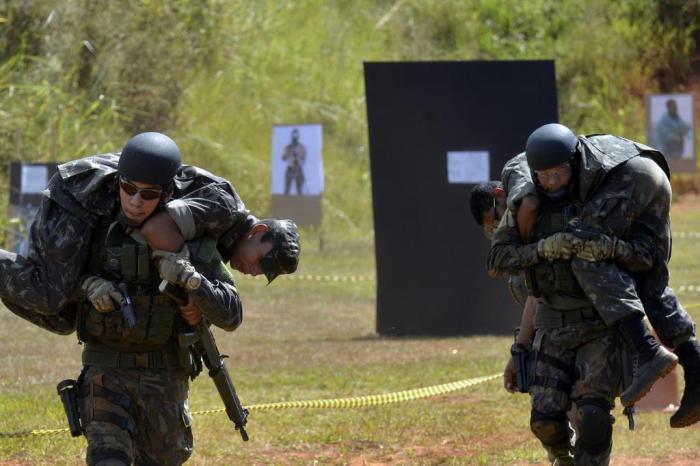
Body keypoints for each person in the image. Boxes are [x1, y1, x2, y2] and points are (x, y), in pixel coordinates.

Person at [476, 124, 700, 428]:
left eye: (559, 174)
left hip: (632, 179)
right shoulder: (550, 156)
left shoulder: (522, 175)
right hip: (652, 172)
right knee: (648, 280)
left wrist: (535, 244)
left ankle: (648, 351)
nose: (553, 183)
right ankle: (696, 368)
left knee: (583, 250)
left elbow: (527, 206)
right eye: (548, 177)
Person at [282, 128, 307, 195]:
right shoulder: (288, 147)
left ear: (298, 136)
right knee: (287, 189)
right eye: (293, 135)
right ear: (291, 136)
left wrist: (299, 158)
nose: (295, 137)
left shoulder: (302, 147)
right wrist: (289, 153)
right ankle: (285, 203)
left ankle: (300, 204)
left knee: (299, 190)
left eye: (296, 135)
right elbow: (283, 158)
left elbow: (304, 158)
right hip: (290, 168)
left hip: (298, 168)